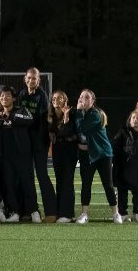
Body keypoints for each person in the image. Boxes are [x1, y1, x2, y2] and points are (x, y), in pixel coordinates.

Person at [0, 86, 37, 223]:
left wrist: (11, 116)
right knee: (9, 185)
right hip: (6, 158)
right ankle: (14, 212)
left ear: (13, 98)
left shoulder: (21, 110)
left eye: (7, 95)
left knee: (27, 184)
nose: (4, 98)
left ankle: (34, 211)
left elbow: (30, 120)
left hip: (23, 156)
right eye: (2, 96)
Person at [73, 89, 121, 224]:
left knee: (108, 185)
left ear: (92, 101)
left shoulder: (95, 114)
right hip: (86, 155)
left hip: (102, 154)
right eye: (81, 97)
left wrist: (77, 112)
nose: (83, 99)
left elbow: (81, 128)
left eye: (87, 97)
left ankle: (115, 213)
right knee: (86, 184)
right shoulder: (81, 113)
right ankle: (84, 214)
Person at [17, 68, 57, 223]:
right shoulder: (21, 95)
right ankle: (30, 211)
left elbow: (41, 118)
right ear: (25, 79)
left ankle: (51, 212)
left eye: (34, 78)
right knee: (26, 177)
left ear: (38, 80)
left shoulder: (42, 95)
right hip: (25, 141)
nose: (31, 80)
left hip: (39, 140)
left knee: (42, 175)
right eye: (29, 78)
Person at [49, 91, 79, 223]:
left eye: (59, 98)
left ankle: (67, 214)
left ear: (65, 100)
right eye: (54, 98)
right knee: (60, 180)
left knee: (67, 180)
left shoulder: (72, 113)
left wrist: (66, 116)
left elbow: (67, 131)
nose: (56, 100)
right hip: (57, 150)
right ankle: (61, 212)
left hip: (69, 150)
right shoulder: (51, 116)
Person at [112, 111, 138, 222]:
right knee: (122, 190)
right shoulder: (123, 131)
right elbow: (115, 147)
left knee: (137, 190)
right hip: (123, 165)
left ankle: (137, 213)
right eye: (133, 118)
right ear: (130, 120)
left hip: (136, 166)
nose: (135, 120)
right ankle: (123, 213)